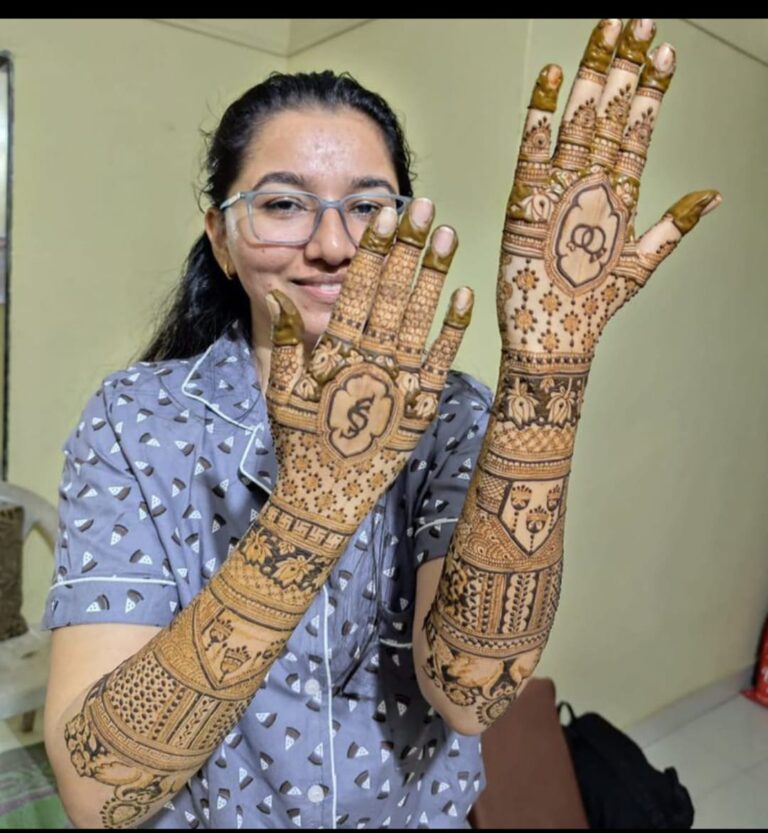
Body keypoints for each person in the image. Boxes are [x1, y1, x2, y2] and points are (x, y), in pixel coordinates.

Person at [42, 17, 720, 830]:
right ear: (221, 238)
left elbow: (472, 695)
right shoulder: (136, 419)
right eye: (283, 203)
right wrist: (307, 517)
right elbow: (98, 794)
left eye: (368, 206)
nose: (333, 243)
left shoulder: (452, 413)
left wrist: (548, 373)